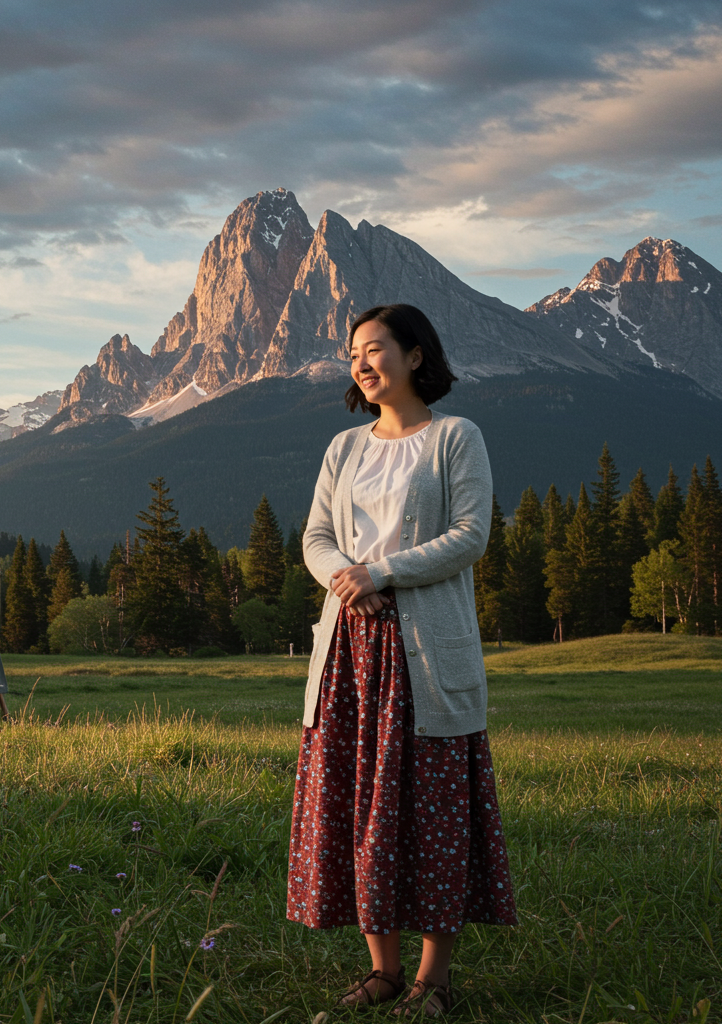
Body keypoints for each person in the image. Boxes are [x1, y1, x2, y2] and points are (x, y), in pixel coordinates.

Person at [287, 304, 516, 1017]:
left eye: (375, 348)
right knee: (361, 805)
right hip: (349, 654)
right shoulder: (344, 447)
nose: (361, 363)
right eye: (353, 353)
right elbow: (317, 536)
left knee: (430, 807)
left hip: (424, 655)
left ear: (415, 356)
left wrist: (380, 573)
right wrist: (346, 580)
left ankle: (433, 980)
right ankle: (382, 971)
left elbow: (471, 534)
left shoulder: (455, 436)